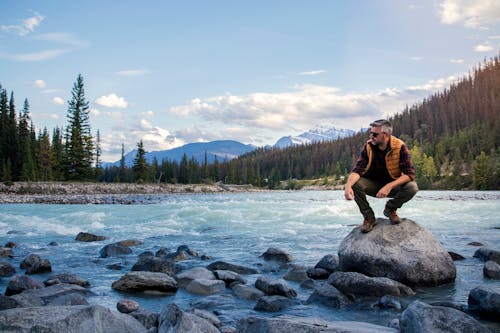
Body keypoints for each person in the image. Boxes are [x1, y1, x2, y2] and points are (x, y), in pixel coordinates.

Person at [344, 119, 418, 233]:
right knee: (355, 184)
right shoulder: (368, 146)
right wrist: (348, 186)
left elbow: (409, 174)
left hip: (393, 186)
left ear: (385, 135)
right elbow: (357, 170)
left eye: (374, 134)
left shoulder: (400, 146)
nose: (371, 136)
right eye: (370, 133)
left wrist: (389, 186)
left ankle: (390, 209)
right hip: (373, 185)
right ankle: (369, 218)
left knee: (412, 187)